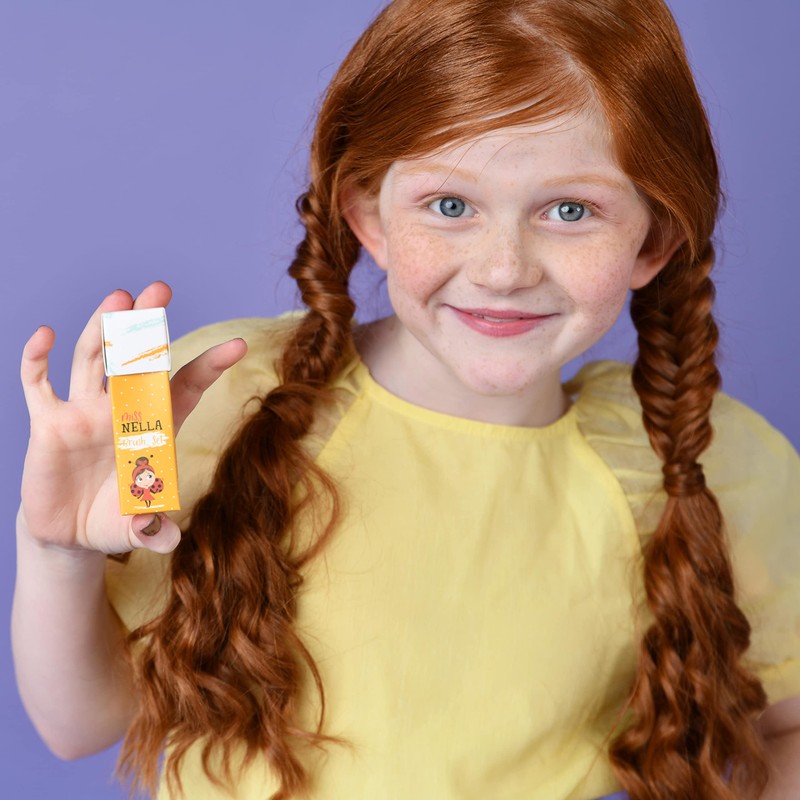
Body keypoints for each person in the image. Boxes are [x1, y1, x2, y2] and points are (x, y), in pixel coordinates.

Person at [12, 0, 800, 798]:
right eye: (450, 206)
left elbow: (787, 729)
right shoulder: (215, 394)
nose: (504, 269)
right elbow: (81, 726)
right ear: (369, 216)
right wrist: (57, 552)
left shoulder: (700, 462)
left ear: (653, 239)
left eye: (571, 210)